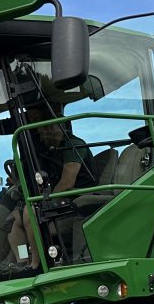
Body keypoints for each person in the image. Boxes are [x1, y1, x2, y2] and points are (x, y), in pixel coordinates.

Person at [6, 99, 96, 258]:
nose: (47, 131)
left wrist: (43, 205)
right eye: (43, 128)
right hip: (59, 201)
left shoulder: (73, 145)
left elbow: (67, 183)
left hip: (77, 202)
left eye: (50, 127)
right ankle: (22, 261)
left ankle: (36, 261)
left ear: (61, 127)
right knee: (14, 229)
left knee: (30, 214)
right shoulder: (47, 153)